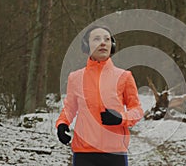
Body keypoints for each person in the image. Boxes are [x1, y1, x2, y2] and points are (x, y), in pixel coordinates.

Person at [56, 25, 144, 166]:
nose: (103, 43)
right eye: (97, 39)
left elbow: (137, 111)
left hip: (115, 152)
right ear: (86, 46)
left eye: (107, 39)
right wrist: (62, 124)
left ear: (112, 46)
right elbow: (69, 108)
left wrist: (121, 117)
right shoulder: (75, 77)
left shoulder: (124, 76)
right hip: (84, 152)